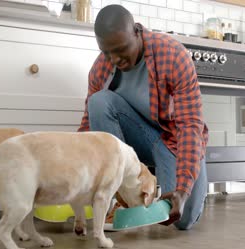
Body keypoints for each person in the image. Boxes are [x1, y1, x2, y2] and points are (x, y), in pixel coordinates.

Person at [78, 4, 208, 230]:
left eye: (121, 49)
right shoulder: (101, 68)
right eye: (107, 52)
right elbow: (87, 130)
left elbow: (190, 126)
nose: (115, 59)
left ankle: (193, 171)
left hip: (174, 142)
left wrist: (184, 188)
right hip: (137, 140)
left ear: (137, 32)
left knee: (182, 220)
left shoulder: (172, 55)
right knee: (98, 102)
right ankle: (121, 200)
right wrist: (72, 175)